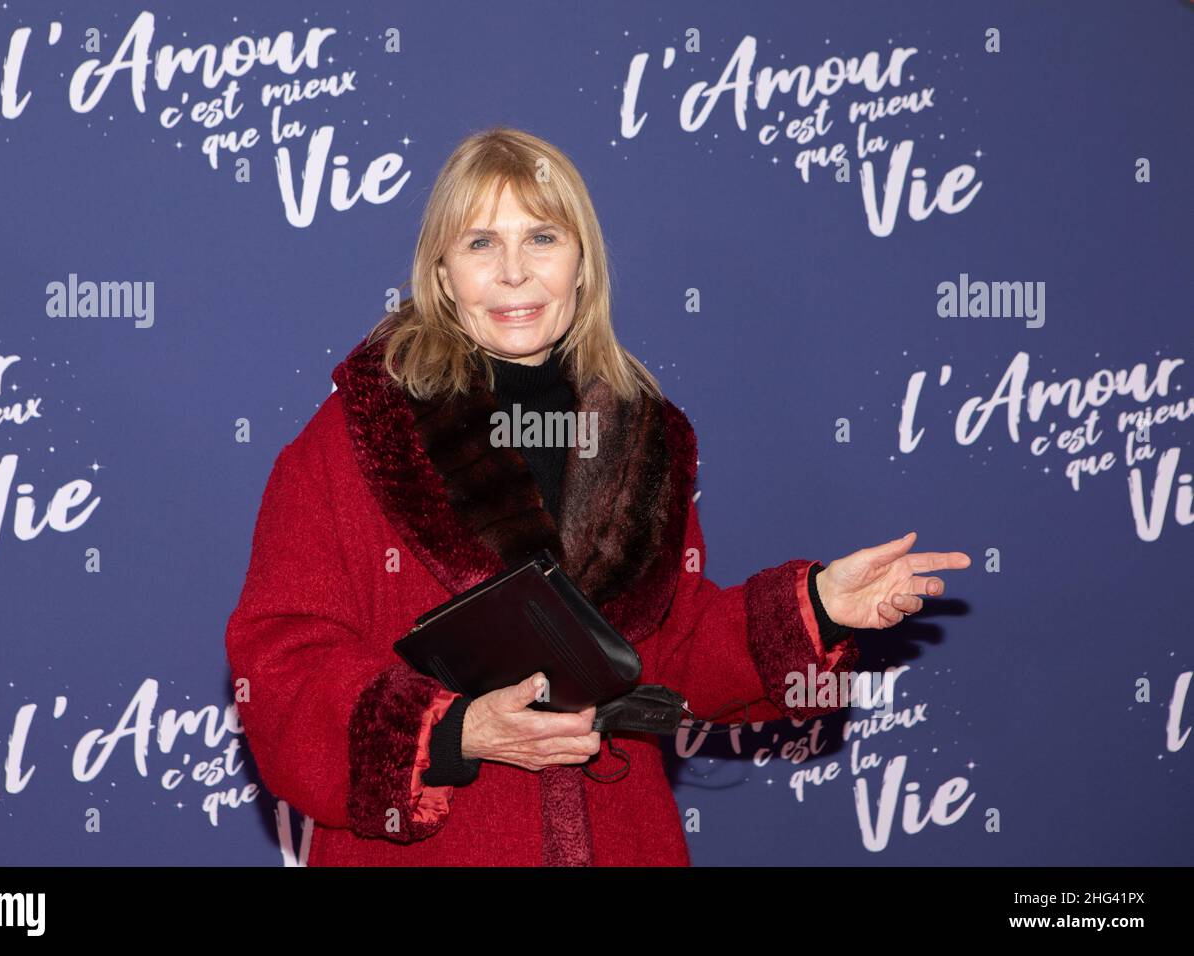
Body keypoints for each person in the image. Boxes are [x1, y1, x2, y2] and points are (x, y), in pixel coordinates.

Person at [223, 126, 971, 866]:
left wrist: (815, 604)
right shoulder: (359, 434)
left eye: (542, 238)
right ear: (443, 273)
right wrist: (456, 732)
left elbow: (668, 647)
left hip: (622, 838)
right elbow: (281, 661)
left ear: (582, 264)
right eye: (481, 243)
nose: (515, 272)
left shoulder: (642, 436)